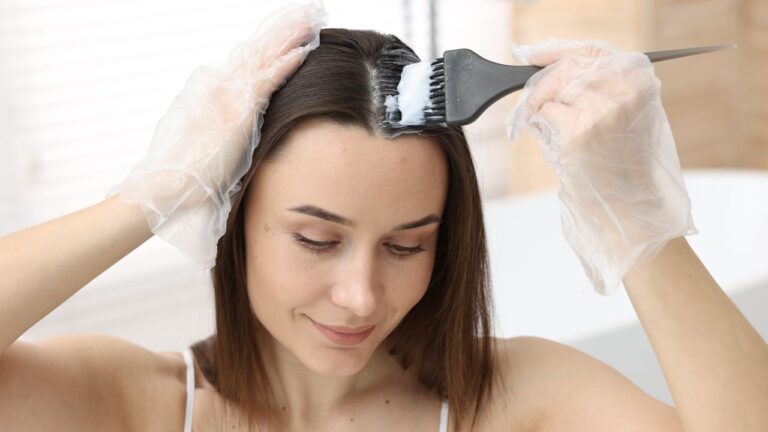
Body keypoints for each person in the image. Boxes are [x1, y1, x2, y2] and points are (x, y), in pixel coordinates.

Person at [1, 2, 766, 432]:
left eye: (407, 246)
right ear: (233, 218)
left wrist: (635, 218)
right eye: (316, 238)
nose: (362, 296)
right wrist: (146, 197)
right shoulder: (136, 405)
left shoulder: (512, 402)